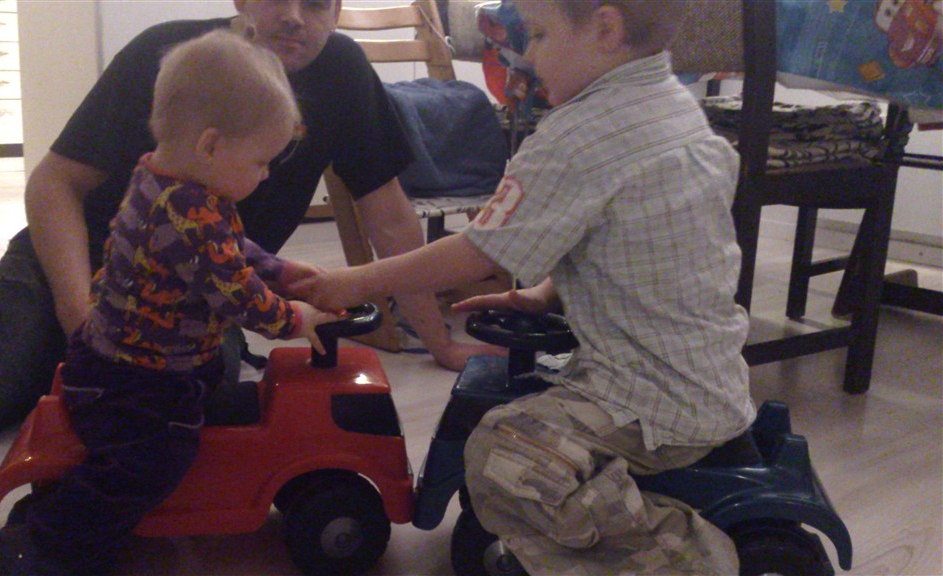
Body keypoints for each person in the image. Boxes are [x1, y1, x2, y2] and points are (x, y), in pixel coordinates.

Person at [291, 0, 756, 573]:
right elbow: (647, 244)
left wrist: (350, 283)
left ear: (605, 28)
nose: (528, 56)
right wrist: (544, 294)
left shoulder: (580, 134)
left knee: (499, 452)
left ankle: (681, 557)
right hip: (709, 380)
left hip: (646, 400)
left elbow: (475, 251)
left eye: (538, 34)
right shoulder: (678, 110)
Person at [0, 0, 500, 433]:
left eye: (316, 2)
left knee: (195, 404)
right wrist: (78, 317)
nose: (295, 16)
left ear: (338, 9)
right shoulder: (169, 56)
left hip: (195, 292)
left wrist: (441, 343)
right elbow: (54, 184)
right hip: (75, 258)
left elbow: (390, 219)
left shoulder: (343, 72)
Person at [0, 30, 340, 575]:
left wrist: (280, 269)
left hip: (155, 356)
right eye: (261, 162)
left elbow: (231, 247)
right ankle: (44, 544)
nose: (267, 174)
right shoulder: (186, 211)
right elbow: (237, 294)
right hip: (130, 376)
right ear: (210, 146)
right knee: (151, 460)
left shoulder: (168, 178)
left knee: (217, 387)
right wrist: (297, 318)